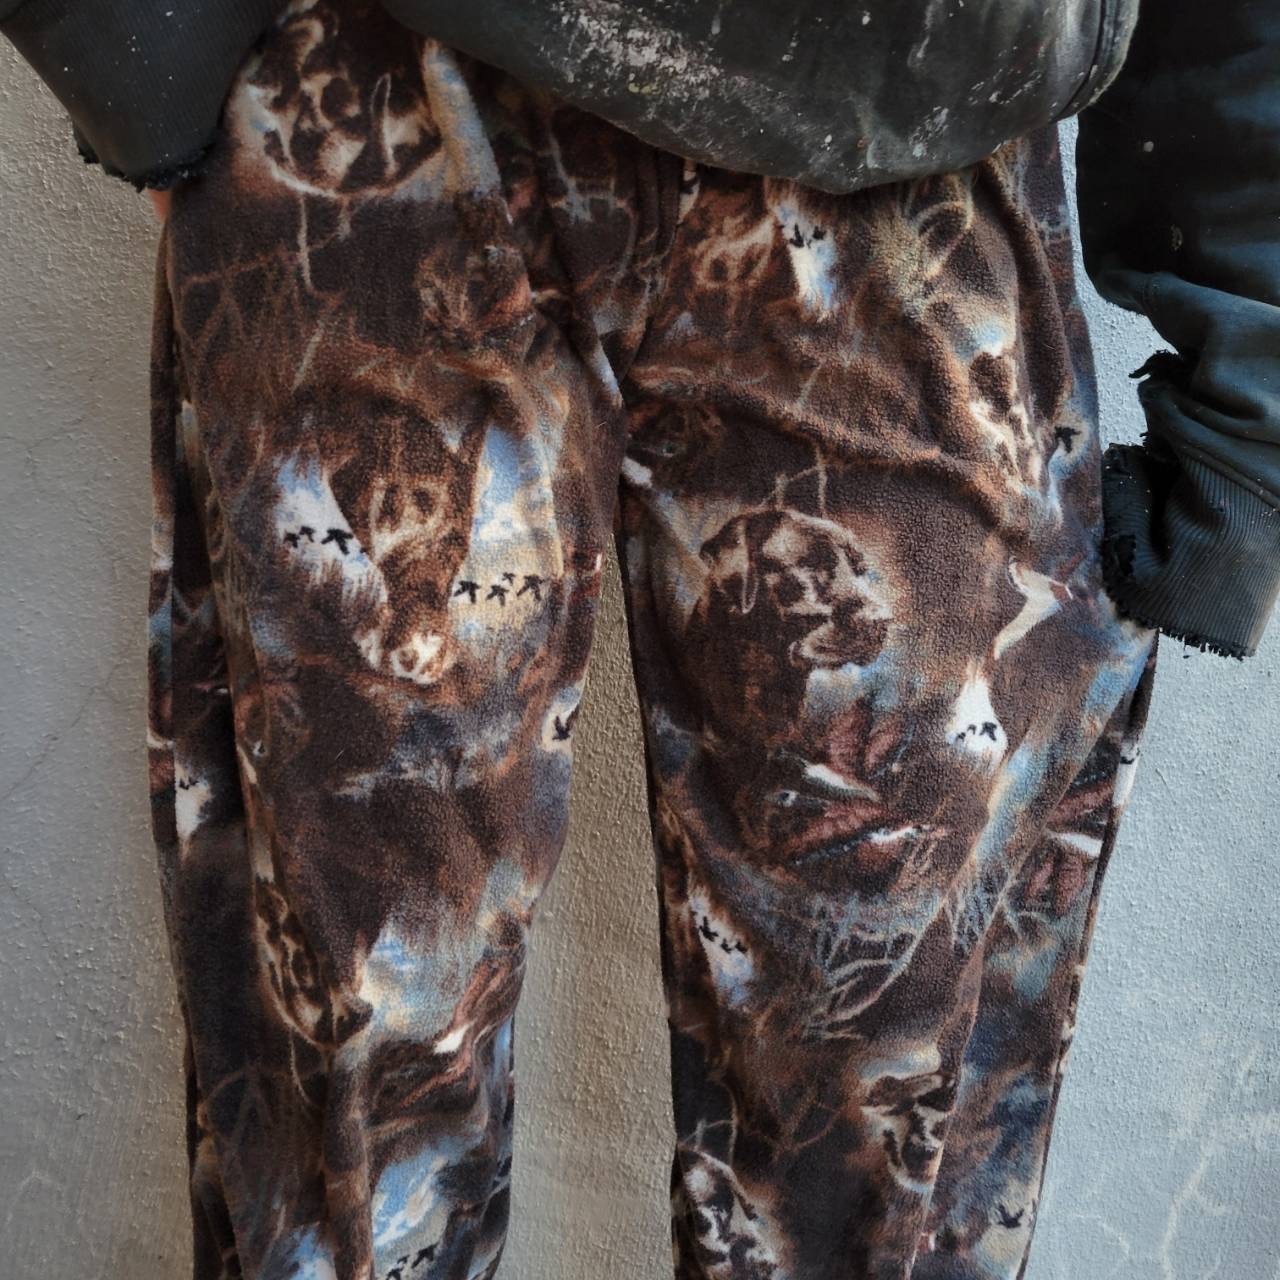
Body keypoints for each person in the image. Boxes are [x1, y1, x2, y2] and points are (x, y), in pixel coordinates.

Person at [3, 2, 1276, 1277]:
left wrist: (1247, 391)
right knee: (356, 1040)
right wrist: (130, 41)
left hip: (915, 140)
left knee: (873, 1094)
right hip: (374, 113)